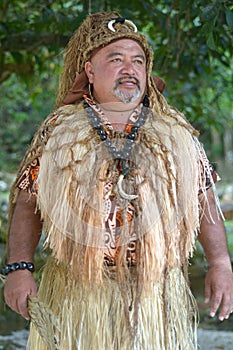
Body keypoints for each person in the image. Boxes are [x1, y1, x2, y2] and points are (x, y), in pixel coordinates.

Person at [2, 11, 233, 350]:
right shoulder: (59, 130)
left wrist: (220, 263)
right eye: (116, 59)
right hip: (78, 294)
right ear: (90, 72)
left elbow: (204, 198)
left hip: (155, 297)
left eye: (138, 61)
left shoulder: (175, 131)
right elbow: (28, 200)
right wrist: (19, 268)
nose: (130, 69)